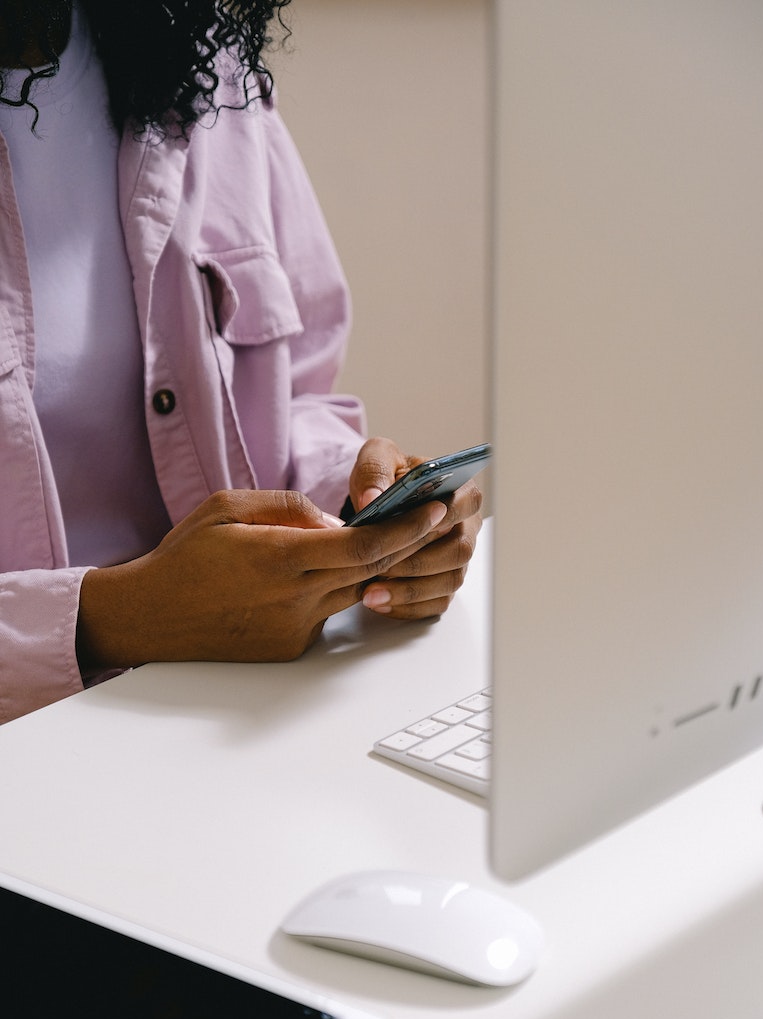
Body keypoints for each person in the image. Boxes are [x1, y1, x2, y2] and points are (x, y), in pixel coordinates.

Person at [0, 0, 482, 724]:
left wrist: (363, 512)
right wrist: (111, 617)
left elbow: (301, 399)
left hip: (231, 710)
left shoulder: (202, 62)